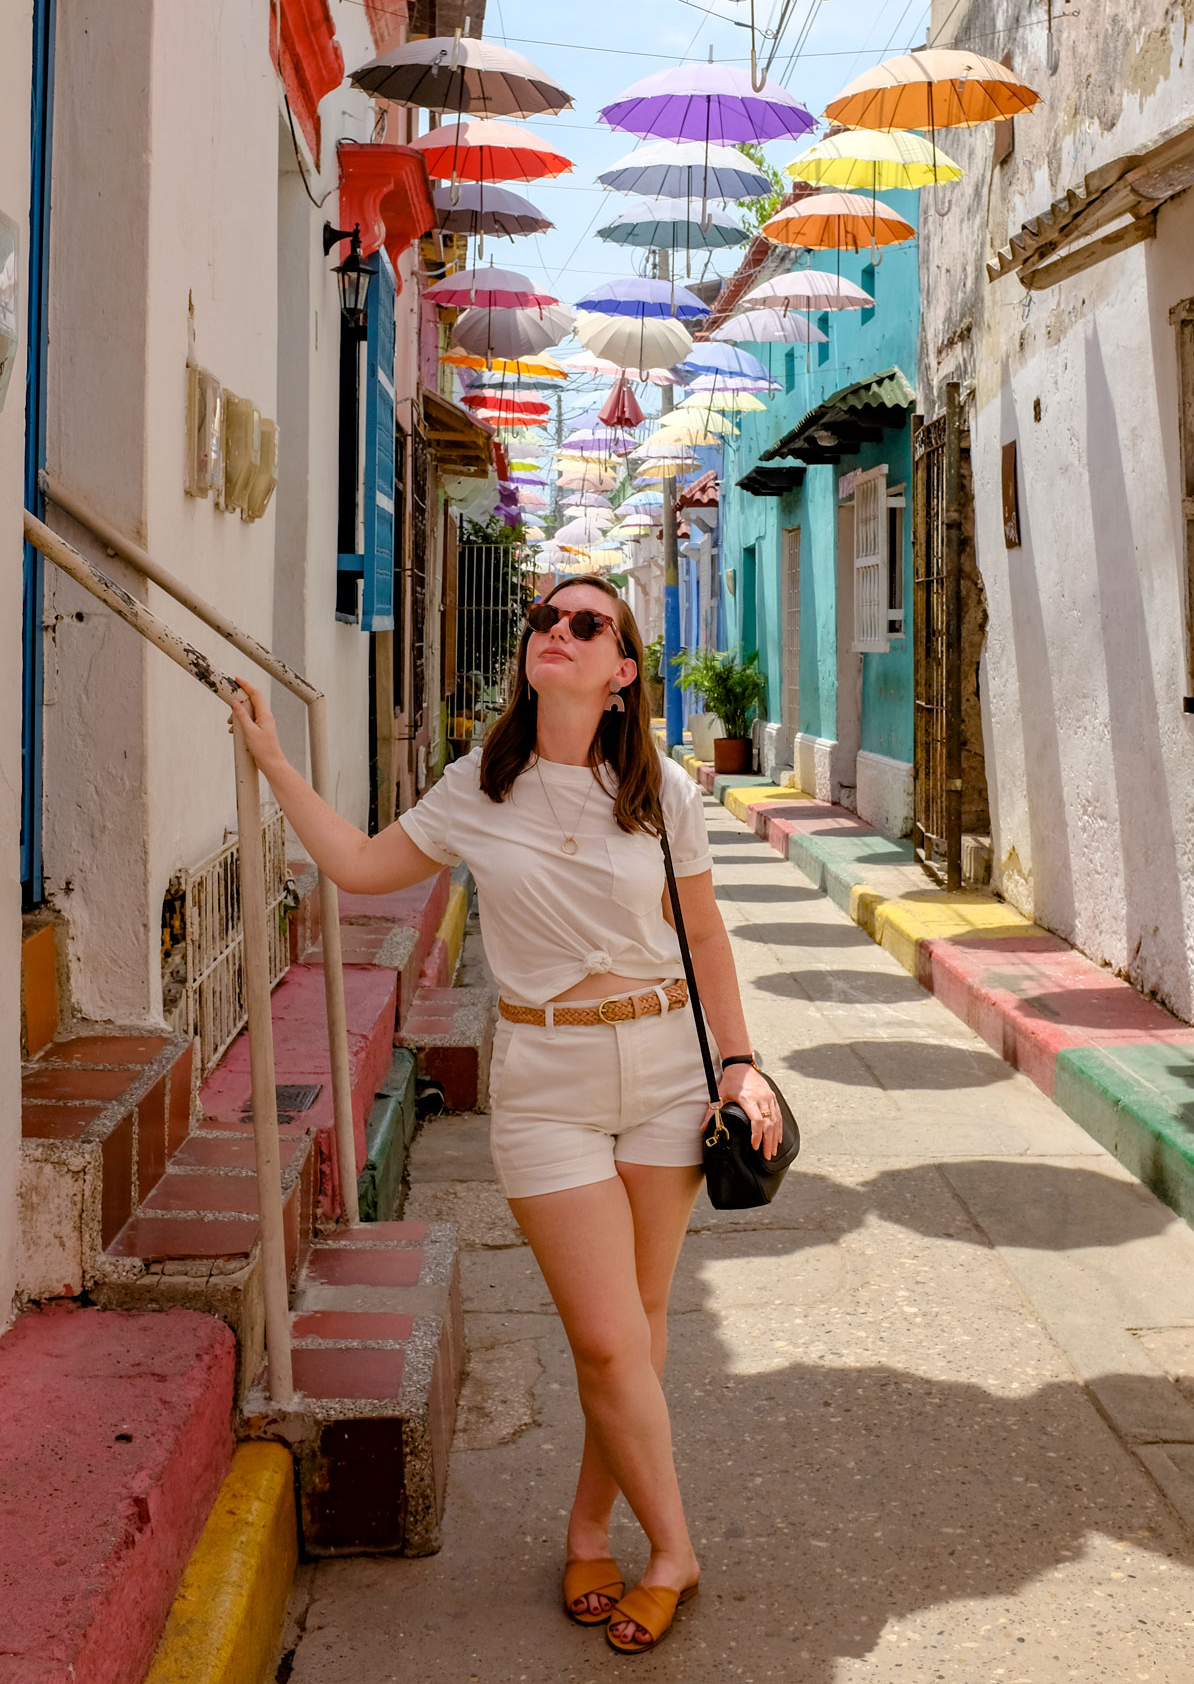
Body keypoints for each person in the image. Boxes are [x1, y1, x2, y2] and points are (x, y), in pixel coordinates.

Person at [229, 574, 780, 1654]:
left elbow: (705, 939)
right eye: (542, 618)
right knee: (608, 1334)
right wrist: (278, 764)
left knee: (636, 1329)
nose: (555, 633)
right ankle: (675, 1548)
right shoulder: (476, 787)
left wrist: (741, 1066)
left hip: (668, 1067)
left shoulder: (660, 790)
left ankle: (589, 1526)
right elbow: (356, 863)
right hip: (549, 1082)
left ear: (623, 673)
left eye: (586, 623)